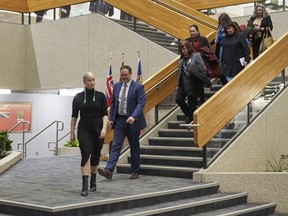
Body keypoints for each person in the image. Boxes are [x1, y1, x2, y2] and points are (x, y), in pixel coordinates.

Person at [98, 65, 146, 180]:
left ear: (130, 74)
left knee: (134, 146)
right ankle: (109, 170)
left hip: (132, 122)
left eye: (126, 75)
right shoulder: (117, 86)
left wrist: (133, 117)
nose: (124, 77)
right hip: (119, 120)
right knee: (116, 145)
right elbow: (114, 103)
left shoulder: (138, 87)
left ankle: (135, 171)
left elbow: (141, 104)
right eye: (122, 75)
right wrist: (111, 119)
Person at [70, 72, 108, 196]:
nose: (92, 82)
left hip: (97, 129)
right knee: (86, 154)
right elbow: (74, 117)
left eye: (93, 80)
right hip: (84, 129)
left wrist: (104, 129)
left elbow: (105, 115)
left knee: (96, 156)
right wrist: (72, 132)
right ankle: (84, 186)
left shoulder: (101, 96)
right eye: (89, 80)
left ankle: (93, 181)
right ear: (84, 82)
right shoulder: (78, 97)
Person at [176, 41, 212, 124]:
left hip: (194, 82)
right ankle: (191, 115)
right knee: (179, 99)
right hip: (183, 83)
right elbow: (180, 71)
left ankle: (190, 120)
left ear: (189, 48)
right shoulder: (181, 59)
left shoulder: (196, 56)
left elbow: (202, 69)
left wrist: (192, 70)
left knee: (191, 101)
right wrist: (178, 83)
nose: (183, 51)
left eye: (185, 49)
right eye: (182, 49)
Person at [186, 24, 210, 104]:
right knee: (193, 83)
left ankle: (202, 99)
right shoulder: (187, 41)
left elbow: (208, 50)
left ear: (197, 31)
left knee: (199, 82)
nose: (192, 33)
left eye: (193, 31)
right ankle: (195, 100)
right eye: (190, 31)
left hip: (201, 64)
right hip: (191, 65)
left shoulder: (203, 39)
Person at [210, 13, 232, 86]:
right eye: (220, 21)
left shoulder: (230, 27)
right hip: (220, 48)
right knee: (221, 65)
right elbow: (217, 39)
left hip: (228, 49)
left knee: (226, 65)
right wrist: (210, 43)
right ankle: (221, 79)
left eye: (222, 21)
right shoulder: (219, 28)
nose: (221, 22)